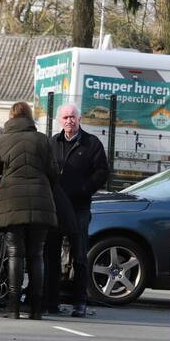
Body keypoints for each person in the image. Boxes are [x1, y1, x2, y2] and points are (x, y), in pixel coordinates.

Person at [0, 101, 58, 320]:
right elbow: (54, 174)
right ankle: (36, 308)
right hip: (42, 204)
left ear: (11, 117)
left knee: (15, 253)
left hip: (12, 203)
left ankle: (13, 307)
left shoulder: (3, 141)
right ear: (30, 116)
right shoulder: (43, 140)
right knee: (37, 254)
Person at [44, 103, 109, 318]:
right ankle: (51, 301)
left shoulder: (91, 144)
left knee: (79, 256)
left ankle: (79, 302)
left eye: (72, 117)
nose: (69, 121)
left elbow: (102, 173)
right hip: (55, 208)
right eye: (65, 117)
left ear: (79, 119)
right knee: (51, 255)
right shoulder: (52, 143)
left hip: (79, 208)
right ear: (59, 121)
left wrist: (84, 190)